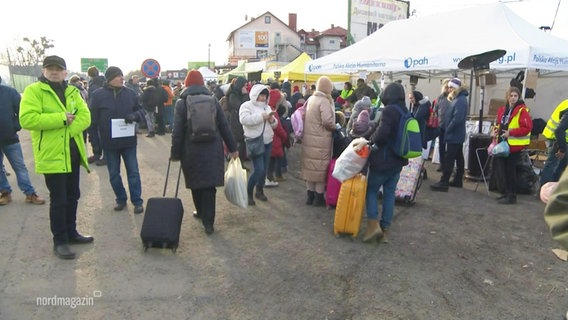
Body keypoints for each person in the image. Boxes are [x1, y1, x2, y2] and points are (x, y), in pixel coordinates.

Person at [19, 55, 93, 260]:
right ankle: (59, 241)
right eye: (49, 68)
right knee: (59, 200)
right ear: (44, 71)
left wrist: (67, 132)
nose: (54, 71)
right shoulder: (34, 91)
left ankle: (71, 232)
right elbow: (27, 119)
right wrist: (62, 119)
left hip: (73, 153)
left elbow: (85, 116)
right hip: (52, 155)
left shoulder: (72, 91)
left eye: (58, 68)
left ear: (65, 72)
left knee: (73, 195)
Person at [171, 70, 238, 235]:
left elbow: (177, 131)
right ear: (202, 83)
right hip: (212, 148)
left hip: (191, 150)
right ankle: (209, 223)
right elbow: (224, 126)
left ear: (186, 84)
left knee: (196, 183)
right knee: (209, 186)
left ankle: (200, 211)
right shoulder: (213, 100)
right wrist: (233, 148)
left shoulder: (181, 102)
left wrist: (175, 153)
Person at [90, 66, 146, 214]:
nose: (122, 78)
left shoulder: (131, 93)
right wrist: (95, 145)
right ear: (109, 79)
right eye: (118, 76)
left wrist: (135, 117)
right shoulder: (98, 95)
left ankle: (137, 201)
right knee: (114, 174)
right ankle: (121, 199)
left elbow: (141, 110)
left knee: (133, 172)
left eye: (122, 75)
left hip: (128, 142)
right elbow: (93, 122)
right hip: (109, 143)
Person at [362, 82, 408, 243]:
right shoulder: (404, 110)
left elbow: (381, 133)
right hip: (398, 160)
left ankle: (373, 226)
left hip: (383, 159)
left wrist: (369, 141)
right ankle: (385, 230)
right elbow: (378, 126)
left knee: (371, 191)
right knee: (389, 194)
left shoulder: (389, 110)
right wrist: (368, 134)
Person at [0, 75, 46, 206]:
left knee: (20, 167)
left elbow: (22, 111)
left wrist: (15, 126)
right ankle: (5, 193)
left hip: (10, 138)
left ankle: (30, 193)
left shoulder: (9, 92)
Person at [492, 86, 533, 204]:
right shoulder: (502, 110)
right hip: (503, 143)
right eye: (511, 96)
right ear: (507, 97)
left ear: (518, 97)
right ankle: (506, 192)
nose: (513, 98)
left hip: (515, 145)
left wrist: (511, 133)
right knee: (504, 169)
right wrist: (496, 130)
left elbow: (527, 128)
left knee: (511, 170)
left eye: (516, 96)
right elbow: (499, 123)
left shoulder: (522, 110)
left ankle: (512, 195)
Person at [239, 84, 278, 206]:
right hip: (255, 141)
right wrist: (262, 117)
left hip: (267, 141)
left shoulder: (267, 107)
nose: (263, 98)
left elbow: (275, 125)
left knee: (264, 169)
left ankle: (259, 190)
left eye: (265, 95)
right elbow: (244, 120)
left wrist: (272, 121)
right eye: (261, 95)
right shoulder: (246, 106)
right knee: (259, 169)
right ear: (255, 94)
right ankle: (249, 192)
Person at [300, 76, 336, 206]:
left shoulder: (311, 99)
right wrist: (335, 126)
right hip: (321, 140)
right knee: (320, 170)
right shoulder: (324, 101)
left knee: (310, 168)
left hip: (309, 138)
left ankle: (310, 196)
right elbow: (327, 121)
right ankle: (318, 198)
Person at [431, 78, 468, 192]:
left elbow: (457, 118)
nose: (449, 89)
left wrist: (448, 129)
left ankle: (444, 181)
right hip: (456, 133)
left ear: (457, 88)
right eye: (449, 87)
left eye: (451, 87)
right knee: (458, 156)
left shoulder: (460, 100)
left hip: (454, 133)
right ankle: (457, 180)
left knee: (449, 157)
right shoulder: (459, 99)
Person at [540, 99, 568, 188]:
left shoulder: (566, 103)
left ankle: (549, 190)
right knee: (553, 166)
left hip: (557, 139)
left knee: (558, 166)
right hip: (558, 140)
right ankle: (545, 191)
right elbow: (559, 130)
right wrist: (562, 149)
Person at [225, 77, 249, 164]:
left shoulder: (239, 94)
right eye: (245, 86)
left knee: (242, 142)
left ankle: (240, 163)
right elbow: (240, 106)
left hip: (241, 121)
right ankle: (236, 163)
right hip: (235, 121)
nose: (246, 88)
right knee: (238, 142)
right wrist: (245, 95)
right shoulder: (233, 95)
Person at [86, 66, 107, 166]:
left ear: (89, 75)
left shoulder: (94, 85)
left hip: (96, 113)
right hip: (100, 113)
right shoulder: (102, 82)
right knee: (98, 135)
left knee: (98, 136)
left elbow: (92, 101)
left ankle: (101, 156)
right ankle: (99, 155)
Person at [435, 79, 452, 172]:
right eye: (446, 87)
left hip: (450, 126)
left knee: (449, 148)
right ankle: (442, 164)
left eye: (448, 87)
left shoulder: (453, 98)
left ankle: (448, 166)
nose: (447, 89)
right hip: (441, 126)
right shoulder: (439, 98)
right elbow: (435, 110)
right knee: (441, 146)